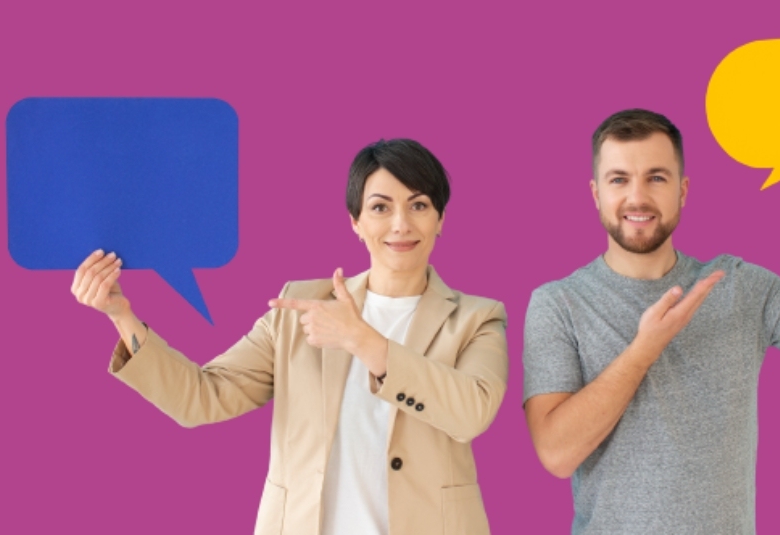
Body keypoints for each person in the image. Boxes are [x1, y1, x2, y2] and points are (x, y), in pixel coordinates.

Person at [72, 138, 508, 535]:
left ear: (440, 219)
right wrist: (121, 315)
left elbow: (471, 414)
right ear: (355, 222)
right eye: (379, 207)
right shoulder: (300, 307)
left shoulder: (477, 318)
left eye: (419, 205)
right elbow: (202, 397)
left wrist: (363, 341)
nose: (400, 224)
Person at [522, 109, 780, 535]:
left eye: (657, 177)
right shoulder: (558, 303)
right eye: (619, 179)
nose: (637, 197)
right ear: (596, 193)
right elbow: (556, 454)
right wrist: (645, 349)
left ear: (683, 190)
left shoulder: (739, 285)